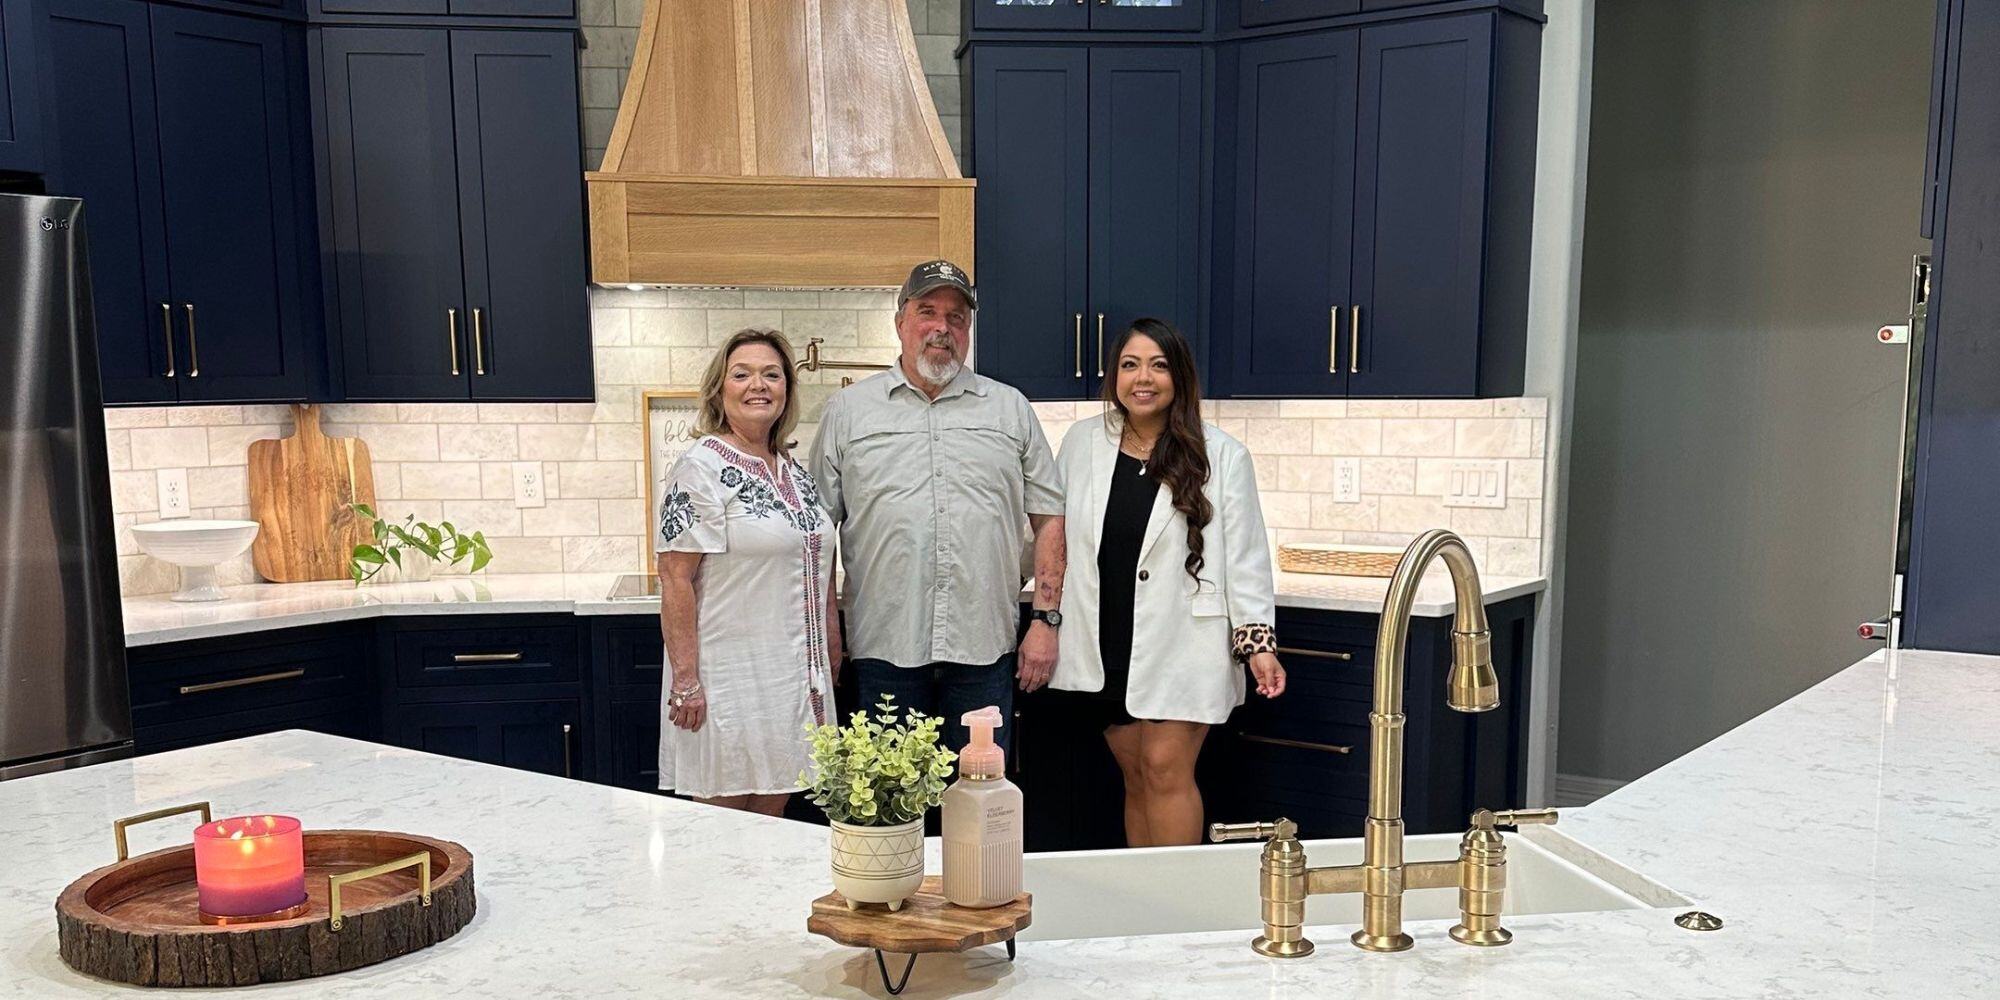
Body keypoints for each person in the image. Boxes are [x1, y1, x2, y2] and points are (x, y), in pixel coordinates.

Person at [809, 259, 1066, 754]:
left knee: (977, 807)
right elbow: (816, 534)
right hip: (883, 648)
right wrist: (827, 636)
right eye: (927, 311)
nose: (941, 328)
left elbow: (1051, 516)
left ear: (968, 329)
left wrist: (1046, 621)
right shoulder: (848, 412)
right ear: (901, 321)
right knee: (886, 806)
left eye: (956, 317)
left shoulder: (1009, 408)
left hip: (984, 647)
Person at [1048, 318, 1286, 847]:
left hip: (1183, 639)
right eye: (1130, 365)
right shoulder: (1083, 441)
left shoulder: (1220, 454)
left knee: (1165, 769)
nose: (1143, 378)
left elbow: (1247, 556)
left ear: (1179, 375)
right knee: (1136, 773)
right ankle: (1147, 911)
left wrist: (1257, 644)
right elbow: (1055, 532)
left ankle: (1181, 910)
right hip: (1104, 636)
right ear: (1113, 375)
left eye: (1158, 365)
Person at [656, 328, 838, 816]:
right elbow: (674, 578)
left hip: (791, 678)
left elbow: (819, 564)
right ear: (720, 390)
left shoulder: (793, 471)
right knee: (723, 830)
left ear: (786, 392)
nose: (758, 384)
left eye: (772, 375)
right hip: (727, 679)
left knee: (772, 822)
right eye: (742, 374)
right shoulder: (701, 466)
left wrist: (832, 648)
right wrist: (686, 679)